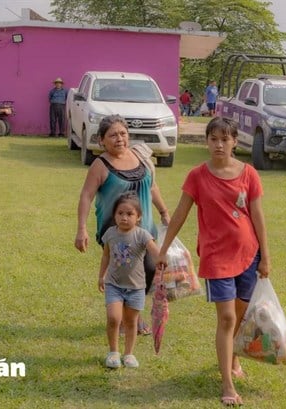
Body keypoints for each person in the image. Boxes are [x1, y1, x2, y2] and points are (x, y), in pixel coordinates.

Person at [157, 117, 271, 406]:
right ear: (206, 142)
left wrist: (265, 257)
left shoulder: (249, 174)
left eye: (225, 139)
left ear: (234, 142)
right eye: (213, 139)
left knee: (240, 316)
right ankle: (228, 384)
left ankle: (233, 359)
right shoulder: (197, 176)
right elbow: (180, 214)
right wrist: (163, 249)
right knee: (227, 318)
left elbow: (257, 216)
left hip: (248, 254)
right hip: (216, 257)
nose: (219, 144)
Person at [75, 114, 170, 335]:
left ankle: (131, 317)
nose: (119, 139)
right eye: (113, 135)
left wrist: (164, 212)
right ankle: (127, 320)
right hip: (116, 233)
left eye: (123, 133)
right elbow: (86, 196)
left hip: (144, 230)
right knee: (124, 274)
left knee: (147, 270)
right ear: (101, 140)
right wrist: (81, 228)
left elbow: (152, 186)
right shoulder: (101, 165)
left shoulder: (139, 156)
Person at [99, 192, 162, 368]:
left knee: (131, 322)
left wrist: (162, 260)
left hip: (136, 287)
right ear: (114, 215)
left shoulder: (142, 235)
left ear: (139, 217)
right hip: (114, 285)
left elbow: (154, 250)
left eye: (129, 214)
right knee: (113, 318)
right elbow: (106, 256)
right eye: (120, 213)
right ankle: (113, 352)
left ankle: (128, 354)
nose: (124, 218)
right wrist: (101, 276)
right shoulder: (110, 233)